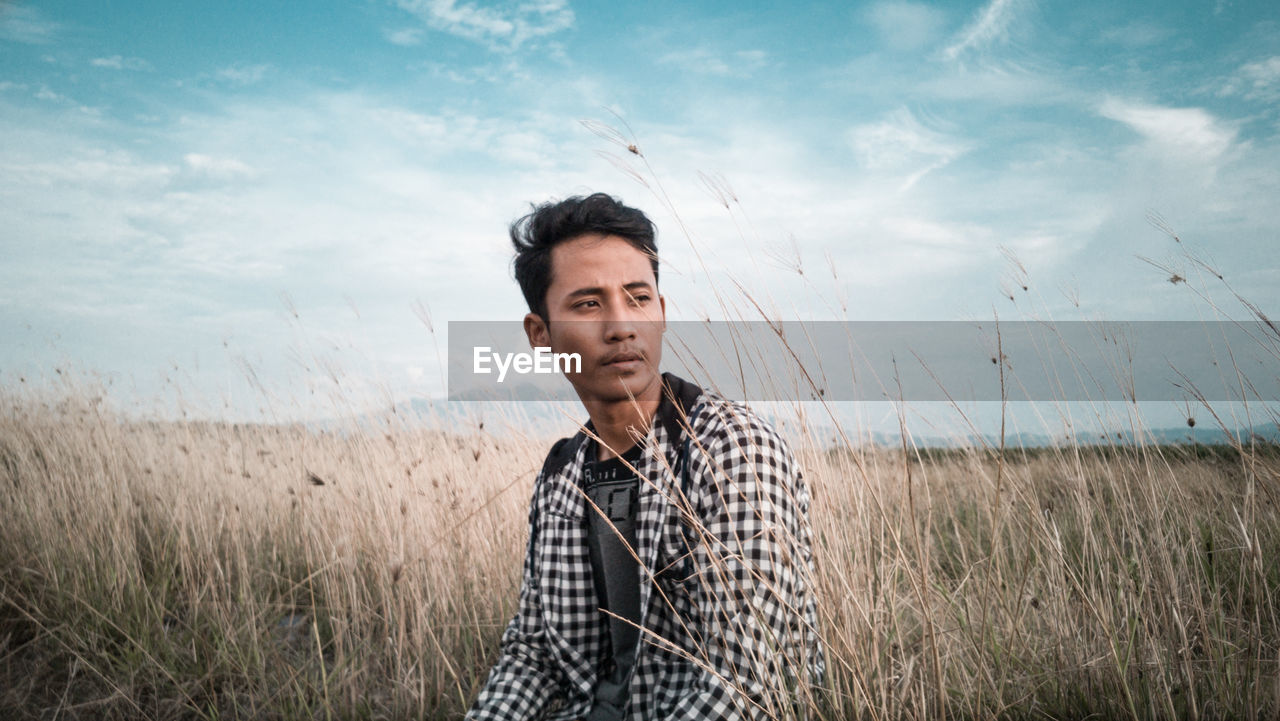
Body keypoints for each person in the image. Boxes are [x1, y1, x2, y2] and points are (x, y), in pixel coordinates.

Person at [467, 193, 823, 721]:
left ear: (661, 311)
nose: (621, 326)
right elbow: (532, 654)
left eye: (637, 298)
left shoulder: (732, 449)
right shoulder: (562, 473)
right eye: (588, 304)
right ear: (540, 335)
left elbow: (751, 685)